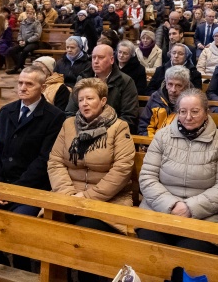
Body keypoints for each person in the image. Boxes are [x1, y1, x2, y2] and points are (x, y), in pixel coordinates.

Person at [0, 67, 65, 271]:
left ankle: (23, 270)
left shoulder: (54, 117)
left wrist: (14, 190)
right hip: (1, 184)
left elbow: (44, 160)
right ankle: (0, 267)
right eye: (20, 83)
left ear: (42, 87)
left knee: (20, 228)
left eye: (29, 84)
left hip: (31, 188)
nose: (22, 88)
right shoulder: (8, 111)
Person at [48, 78, 135, 282]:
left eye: (90, 98)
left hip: (108, 200)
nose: (84, 103)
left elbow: (122, 170)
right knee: (47, 226)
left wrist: (87, 197)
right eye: (80, 100)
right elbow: (55, 161)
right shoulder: (69, 124)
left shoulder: (119, 127)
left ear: (103, 101)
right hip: (68, 196)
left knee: (86, 230)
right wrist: (69, 195)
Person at [137, 88, 218, 255]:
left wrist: (190, 207)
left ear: (206, 112)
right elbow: (147, 177)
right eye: (183, 111)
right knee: (150, 248)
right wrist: (172, 205)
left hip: (206, 216)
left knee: (191, 253)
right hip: (159, 210)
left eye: (195, 111)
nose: (188, 117)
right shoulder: (162, 136)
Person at [65, 44, 139, 133]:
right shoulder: (82, 79)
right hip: (82, 132)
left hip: (112, 133)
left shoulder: (125, 81)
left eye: (100, 57)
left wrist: (102, 132)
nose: (96, 61)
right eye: (93, 57)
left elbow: (129, 116)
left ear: (111, 60)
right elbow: (70, 112)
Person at [138, 65, 190, 137]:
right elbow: (144, 126)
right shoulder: (155, 98)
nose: (173, 90)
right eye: (170, 84)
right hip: (153, 142)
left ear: (186, 86)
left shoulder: (192, 102)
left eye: (178, 85)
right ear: (165, 84)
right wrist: (154, 144)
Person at [7, 6, 42, 74]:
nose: (29, 15)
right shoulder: (23, 23)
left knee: (25, 50)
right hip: (23, 42)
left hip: (33, 42)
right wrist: (20, 40)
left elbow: (37, 35)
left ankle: (16, 68)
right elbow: (20, 33)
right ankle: (21, 66)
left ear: (34, 14)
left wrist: (27, 41)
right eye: (28, 13)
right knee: (12, 50)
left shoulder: (37, 23)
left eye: (31, 13)